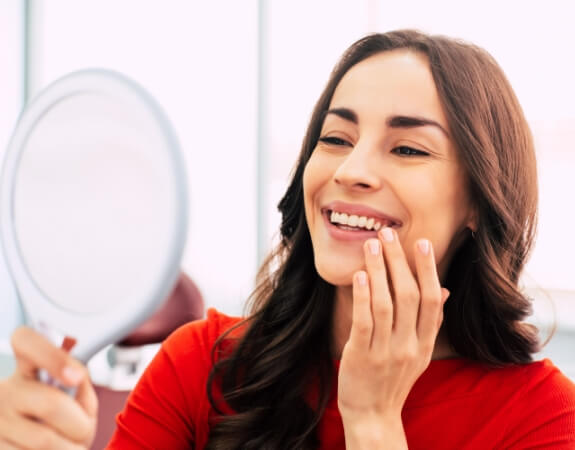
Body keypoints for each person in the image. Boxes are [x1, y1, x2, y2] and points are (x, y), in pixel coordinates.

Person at [1, 29, 574, 449]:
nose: (351, 169)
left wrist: (373, 422)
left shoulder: (544, 421)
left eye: (407, 149)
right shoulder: (199, 367)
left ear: (477, 203)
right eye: (335, 138)